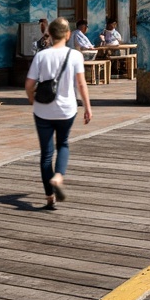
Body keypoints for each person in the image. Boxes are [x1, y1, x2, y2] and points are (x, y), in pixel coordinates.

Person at [26, 17, 92, 210]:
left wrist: (32, 100)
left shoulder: (41, 56)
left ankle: (49, 198)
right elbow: (81, 84)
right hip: (66, 109)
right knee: (62, 144)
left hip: (43, 110)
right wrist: (87, 107)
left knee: (46, 155)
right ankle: (58, 176)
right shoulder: (75, 56)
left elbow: (29, 85)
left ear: (50, 35)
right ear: (68, 34)